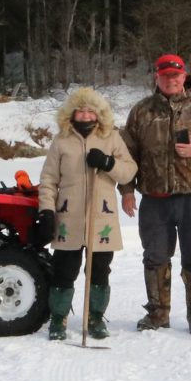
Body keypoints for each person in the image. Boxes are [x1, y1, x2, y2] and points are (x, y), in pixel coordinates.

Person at [118, 54, 191, 333]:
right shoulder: (141, 111)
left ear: (184, 77)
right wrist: (127, 190)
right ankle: (158, 313)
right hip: (154, 198)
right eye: (165, 75)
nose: (170, 80)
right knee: (155, 256)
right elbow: (127, 153)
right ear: (157, 77)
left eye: (175, 75)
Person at [35, 87, 137, 341]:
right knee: (64, 271)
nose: (86, 115)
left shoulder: (111, 138)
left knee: (100, 271)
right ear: (71, 113)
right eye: (80, 110)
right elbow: (48, 180)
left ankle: (95, 318)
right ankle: (58, 318)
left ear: (99, 114)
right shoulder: (61, 141)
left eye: (91, 111)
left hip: (101, 219)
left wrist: (108, 163)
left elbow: (129, 171)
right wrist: (46, 210)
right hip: (69, 219)